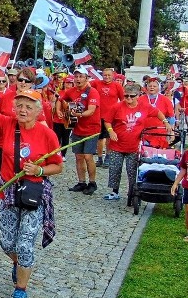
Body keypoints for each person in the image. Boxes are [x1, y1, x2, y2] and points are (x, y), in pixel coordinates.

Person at [0, 74, 63, 298]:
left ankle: (21, 289)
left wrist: (40, 170)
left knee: (24, 243)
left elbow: (58, 166)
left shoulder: (46, 134)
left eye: (28, 106)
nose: (23, 110)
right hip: (8, 193)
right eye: (19, 105)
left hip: (33, 193)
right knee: (7, 243)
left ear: (38, 110)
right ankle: (19, 264)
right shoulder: (6, 124)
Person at [103, 82, 165, 202]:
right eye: (126, 96)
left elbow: (157, 113)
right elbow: (107, 120)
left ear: (138, 95)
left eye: (132, 96)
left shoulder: (144, 106)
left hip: (134, 146)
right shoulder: (117, 107)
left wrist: (166, 122)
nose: (128, 99)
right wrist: (111, 131)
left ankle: (133, 192)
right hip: (117, 144)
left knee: (133, 171)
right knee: (115, 168)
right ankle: (114, 191)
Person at [60, 66, 101, 195]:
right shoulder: (71, 91)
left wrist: (79, 115)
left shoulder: (92, 91)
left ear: (86, 78)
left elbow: (91, 110)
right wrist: (61, 111)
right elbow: (61, 99)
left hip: (91, 128)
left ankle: (92, 182)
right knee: (78, 157)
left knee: (88, 156)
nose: (78, 79)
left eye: (81, 76)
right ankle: (81, 182)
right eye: (76, 76)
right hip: (77, 127)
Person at [91, 67, 125, 167]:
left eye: (109, 75)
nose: (107, 77)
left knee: (109, 138)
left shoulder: (117, 86)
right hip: (98, 115)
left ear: (113, 75)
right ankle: (100, 157)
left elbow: (123, 100)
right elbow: (86, 87)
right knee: (99, 138)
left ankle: (108, 157)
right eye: (105, 75)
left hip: (111, 116)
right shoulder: (96, 83)